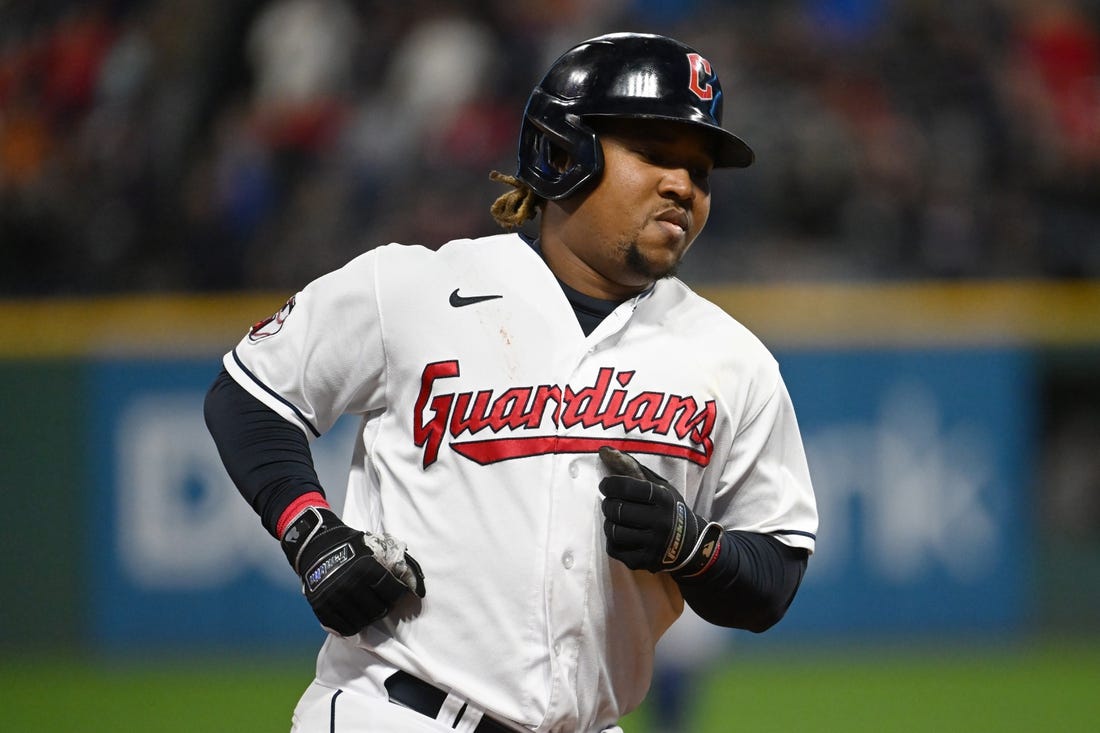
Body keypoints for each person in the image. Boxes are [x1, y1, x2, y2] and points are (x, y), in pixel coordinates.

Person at [205, 32, 818, 733]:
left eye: (700, 171)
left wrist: (693, 546)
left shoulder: (730, 358)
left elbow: (773, 571)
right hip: (400, 714)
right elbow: (250, 392)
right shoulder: (418, 287)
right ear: (564, 153)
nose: (683, 185)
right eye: (653, 155)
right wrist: (310, 531)